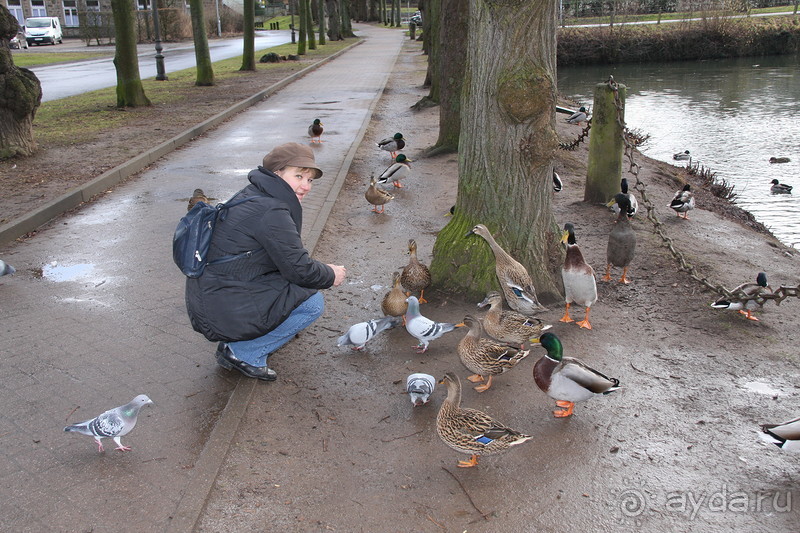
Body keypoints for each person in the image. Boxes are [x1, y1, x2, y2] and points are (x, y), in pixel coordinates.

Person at [185, 142, 347, 381]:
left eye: (310, 179)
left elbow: (285, 259)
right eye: (299, 176)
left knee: (292, 289)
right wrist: (331, 274)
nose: (306, 186)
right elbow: (300, 270)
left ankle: (237, 342)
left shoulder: (255, 193)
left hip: (213, 295)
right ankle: (244, 353)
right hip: (220, 305)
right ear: (277, 172)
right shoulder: (271, 211)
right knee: (312, 303)